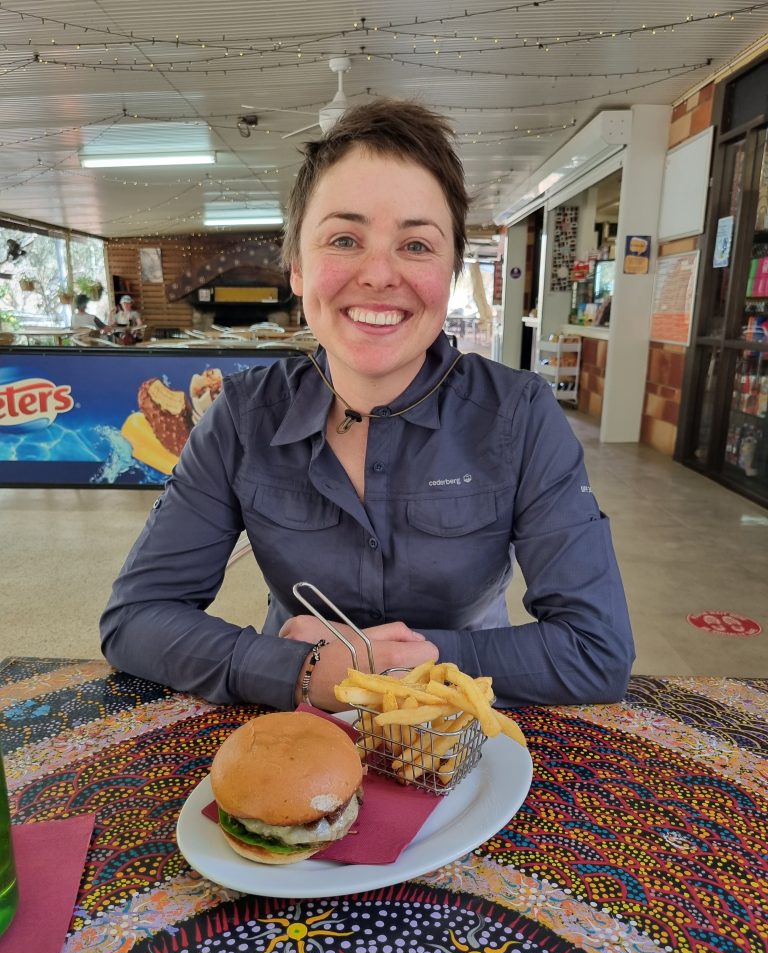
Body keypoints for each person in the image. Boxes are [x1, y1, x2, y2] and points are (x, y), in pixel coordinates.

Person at [100, 99, 634, 712]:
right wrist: (302, 671)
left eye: (416, 244)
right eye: (344, 239)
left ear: (451, 272)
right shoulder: (242, 417)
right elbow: (135, 619)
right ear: (297, 268)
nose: (379, 275)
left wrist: (383, 665)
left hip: (463, 722)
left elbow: (596, 651)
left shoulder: (520, 415)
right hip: (294, 716)